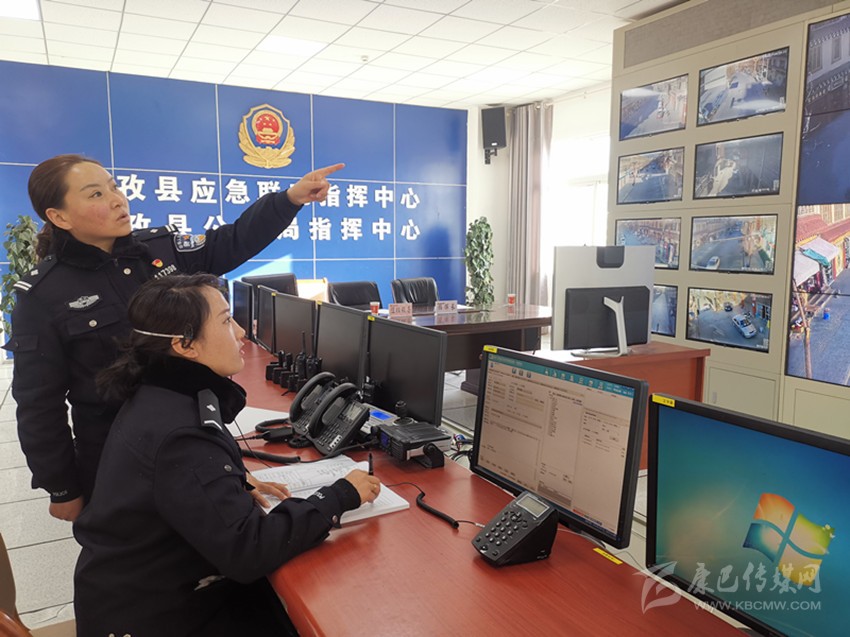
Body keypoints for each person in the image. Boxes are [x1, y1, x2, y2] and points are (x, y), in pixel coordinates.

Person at [5, 153, 343, 522]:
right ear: (59, 217)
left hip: (195, 437)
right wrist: (62, 487)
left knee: (224, 538)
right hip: (116, 457)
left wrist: (290, 199)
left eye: (114, 187)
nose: (117, 200)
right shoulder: (43, 295)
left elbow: (232, 240)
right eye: (96, 194)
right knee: (138, 550)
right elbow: (39, 404)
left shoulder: (160, 250)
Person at [73, 274, 381, 636]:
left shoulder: (160, 395)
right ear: (185, 345)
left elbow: (173, 484)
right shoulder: (182, 435)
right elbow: (248, 550)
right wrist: (339, 496)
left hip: (146, 589)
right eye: (225, 321)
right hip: (154, 615)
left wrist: (230, 481)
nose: (241, 333)